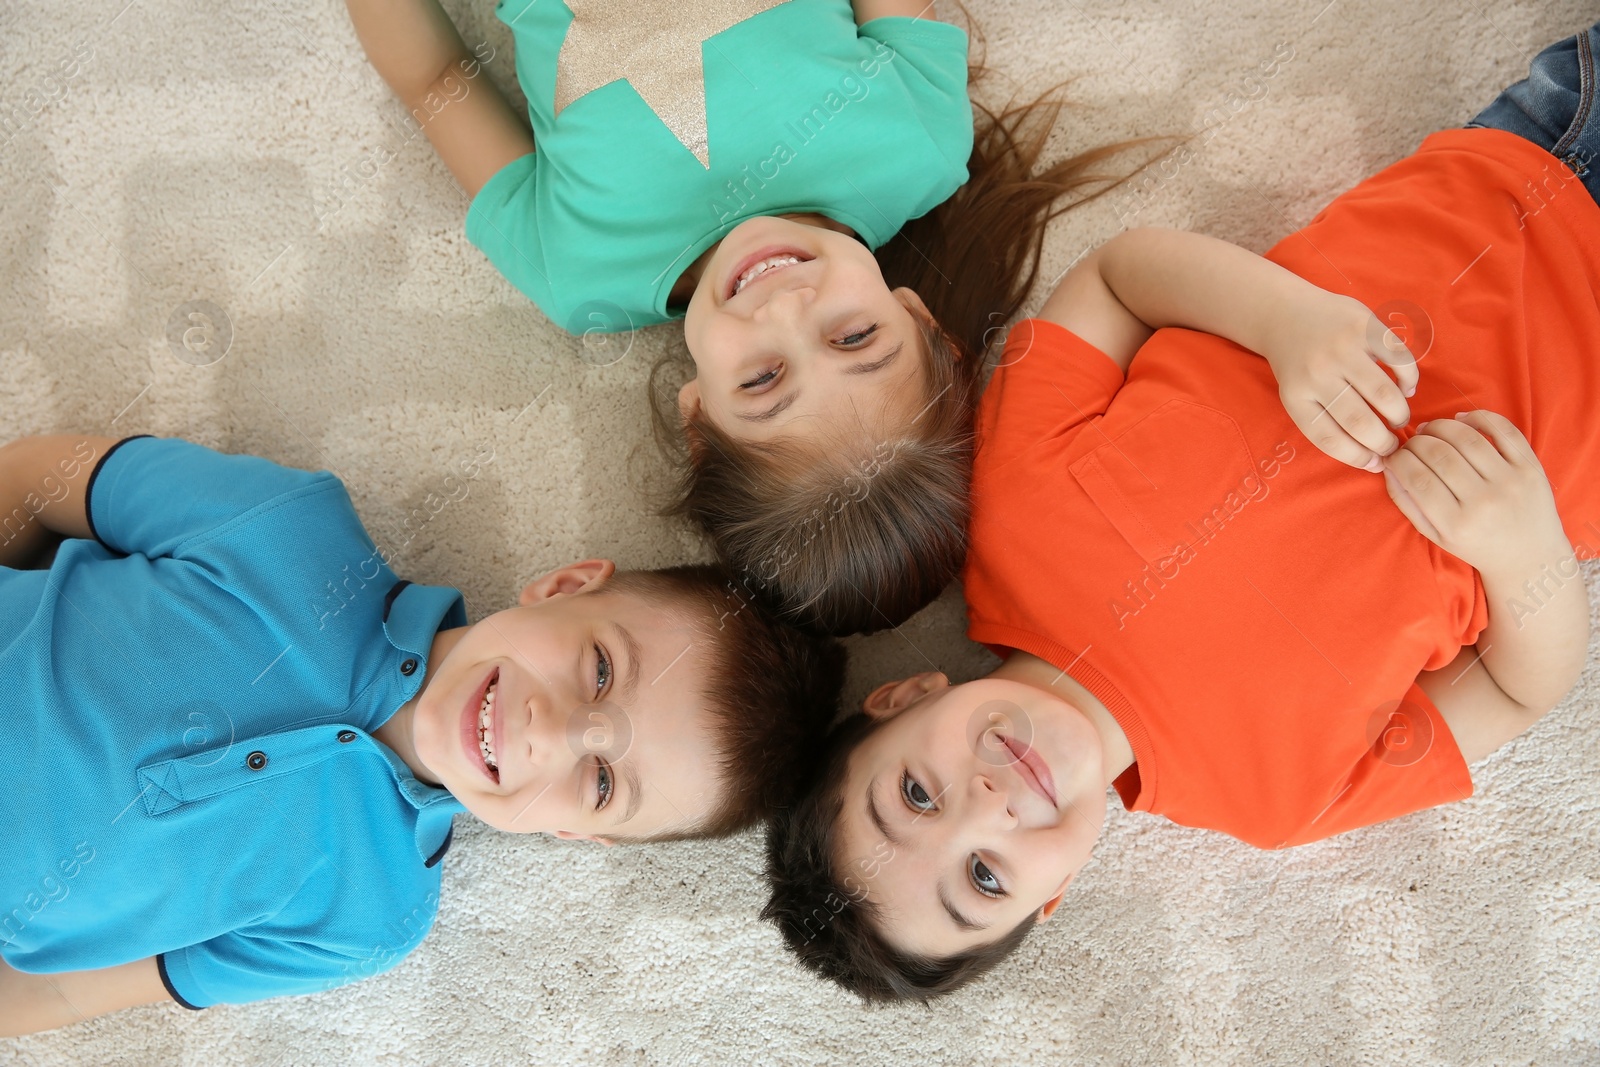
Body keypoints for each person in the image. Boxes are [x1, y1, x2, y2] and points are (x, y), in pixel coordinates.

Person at [760, 18, 1600, 1001]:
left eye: (915, 792)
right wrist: (1518, 546)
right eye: (982, 876)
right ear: (1054, 894)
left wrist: (1284, 322)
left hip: (1530, 173)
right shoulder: (1278, 799)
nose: (983, 803)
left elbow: (1117, 277)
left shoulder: (1001, 517)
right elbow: (1515, 691)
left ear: (902, 697)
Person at [344, 0, 1148, 635]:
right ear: (919, 319)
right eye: (855, 336)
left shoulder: (579, 271)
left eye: (764, 379)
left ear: (699, 421)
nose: (785, 310)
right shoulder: (919, 145)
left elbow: (437, 79)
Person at [0, 434, 843, 1034]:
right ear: (564, 585)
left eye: (601, 780)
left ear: (576, 833)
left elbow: (75, 995)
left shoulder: (367, 920)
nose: (550, 733)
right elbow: (46, 477)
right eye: (599, 670)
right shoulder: (290, 529)